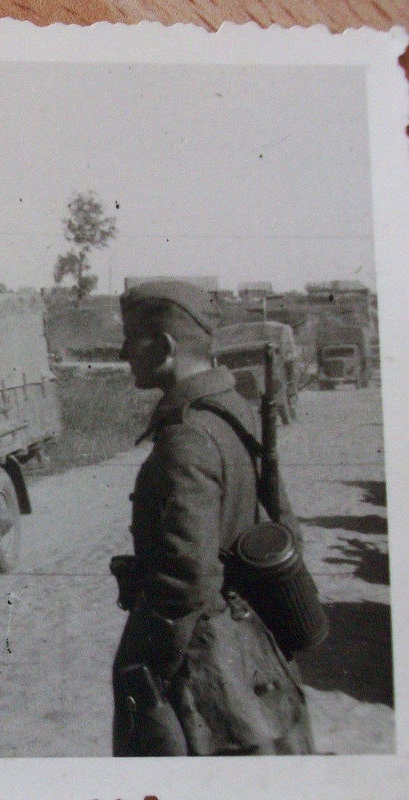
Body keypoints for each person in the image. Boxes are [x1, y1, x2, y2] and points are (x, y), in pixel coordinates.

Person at [112, 280, 314, 756]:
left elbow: (188, 577)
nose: (123, 352)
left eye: (131, 339)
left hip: (206, 659)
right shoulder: (229, 411)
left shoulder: (187, 435)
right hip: (246, 636)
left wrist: (145, 662)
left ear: (165, 348)